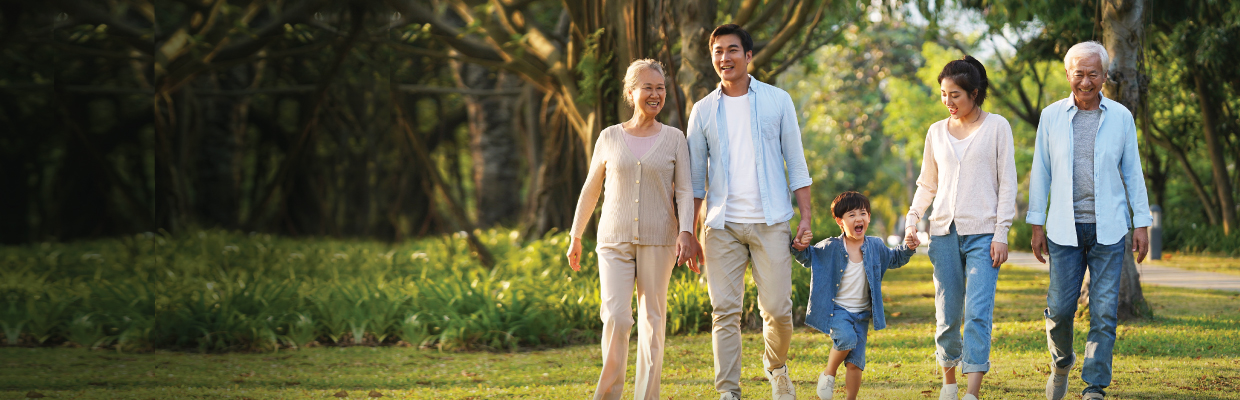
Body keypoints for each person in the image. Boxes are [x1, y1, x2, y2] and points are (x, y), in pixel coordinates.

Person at [686, 23, 813, 400]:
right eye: (718, 52)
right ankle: (728, 391)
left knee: (778, 310)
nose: (724, 58)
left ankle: (776, 367)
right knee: (724, 311)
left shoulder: (778, 100)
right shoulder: (702, 111)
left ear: (748, 55)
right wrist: (689, 232)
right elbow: (694, 181)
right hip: (721, 225)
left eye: (732, 50)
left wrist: (805, 217)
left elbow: (797, 162)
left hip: (771, 220)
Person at [566, 58, 702, 400]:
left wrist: (687, 230)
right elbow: (590, 189)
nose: (655, 94)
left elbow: (685, 190)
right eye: (648, 87)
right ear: (631, 92)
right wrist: (575, 235)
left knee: (653, 321)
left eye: (660, 89)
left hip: (659, 239)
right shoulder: (609, 136)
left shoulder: (674, 139)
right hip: (613, 239)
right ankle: (608, 395)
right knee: (615, 317)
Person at [1027, 41, 1152, 400]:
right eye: (1078, 73)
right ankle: (1062, 362)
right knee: (1062, 309)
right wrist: (1037, 223)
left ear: (1105, 76)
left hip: (1110, 229)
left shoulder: (1121, 117)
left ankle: (1094, 385)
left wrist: (1141, 223)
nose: (1085, 81)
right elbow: (1041, 173)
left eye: (1092, 73)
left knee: (1103, 311)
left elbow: (1133, 173)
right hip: (1064, 230)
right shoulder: (1051, 117)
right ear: (1068, 74)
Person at [903, 56, 1017, 400]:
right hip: (943, 235)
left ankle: (972, 393)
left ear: (974, 93)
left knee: (977, 313)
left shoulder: (998, 127)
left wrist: (1001, 233)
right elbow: (928, 183)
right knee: (948, 313)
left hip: (984, 236)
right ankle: (949, 384)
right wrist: (913, 218)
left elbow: (1007, 184)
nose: (948, 102)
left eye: (955, 95)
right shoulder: (936, 132)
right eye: (943, 94)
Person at [791, 191, 916, 400]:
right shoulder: (831, 247)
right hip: (838, 310)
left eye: (863, 213)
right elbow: (807, 256)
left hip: (862, 314)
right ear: (840, 221)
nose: (859, 218)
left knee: (856, 363)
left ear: (868, 218)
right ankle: (828, 373)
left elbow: (894, 258)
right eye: (851, 214)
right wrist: (799, 243)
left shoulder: (875, 246)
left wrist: (908, 247)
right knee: (847, 339)